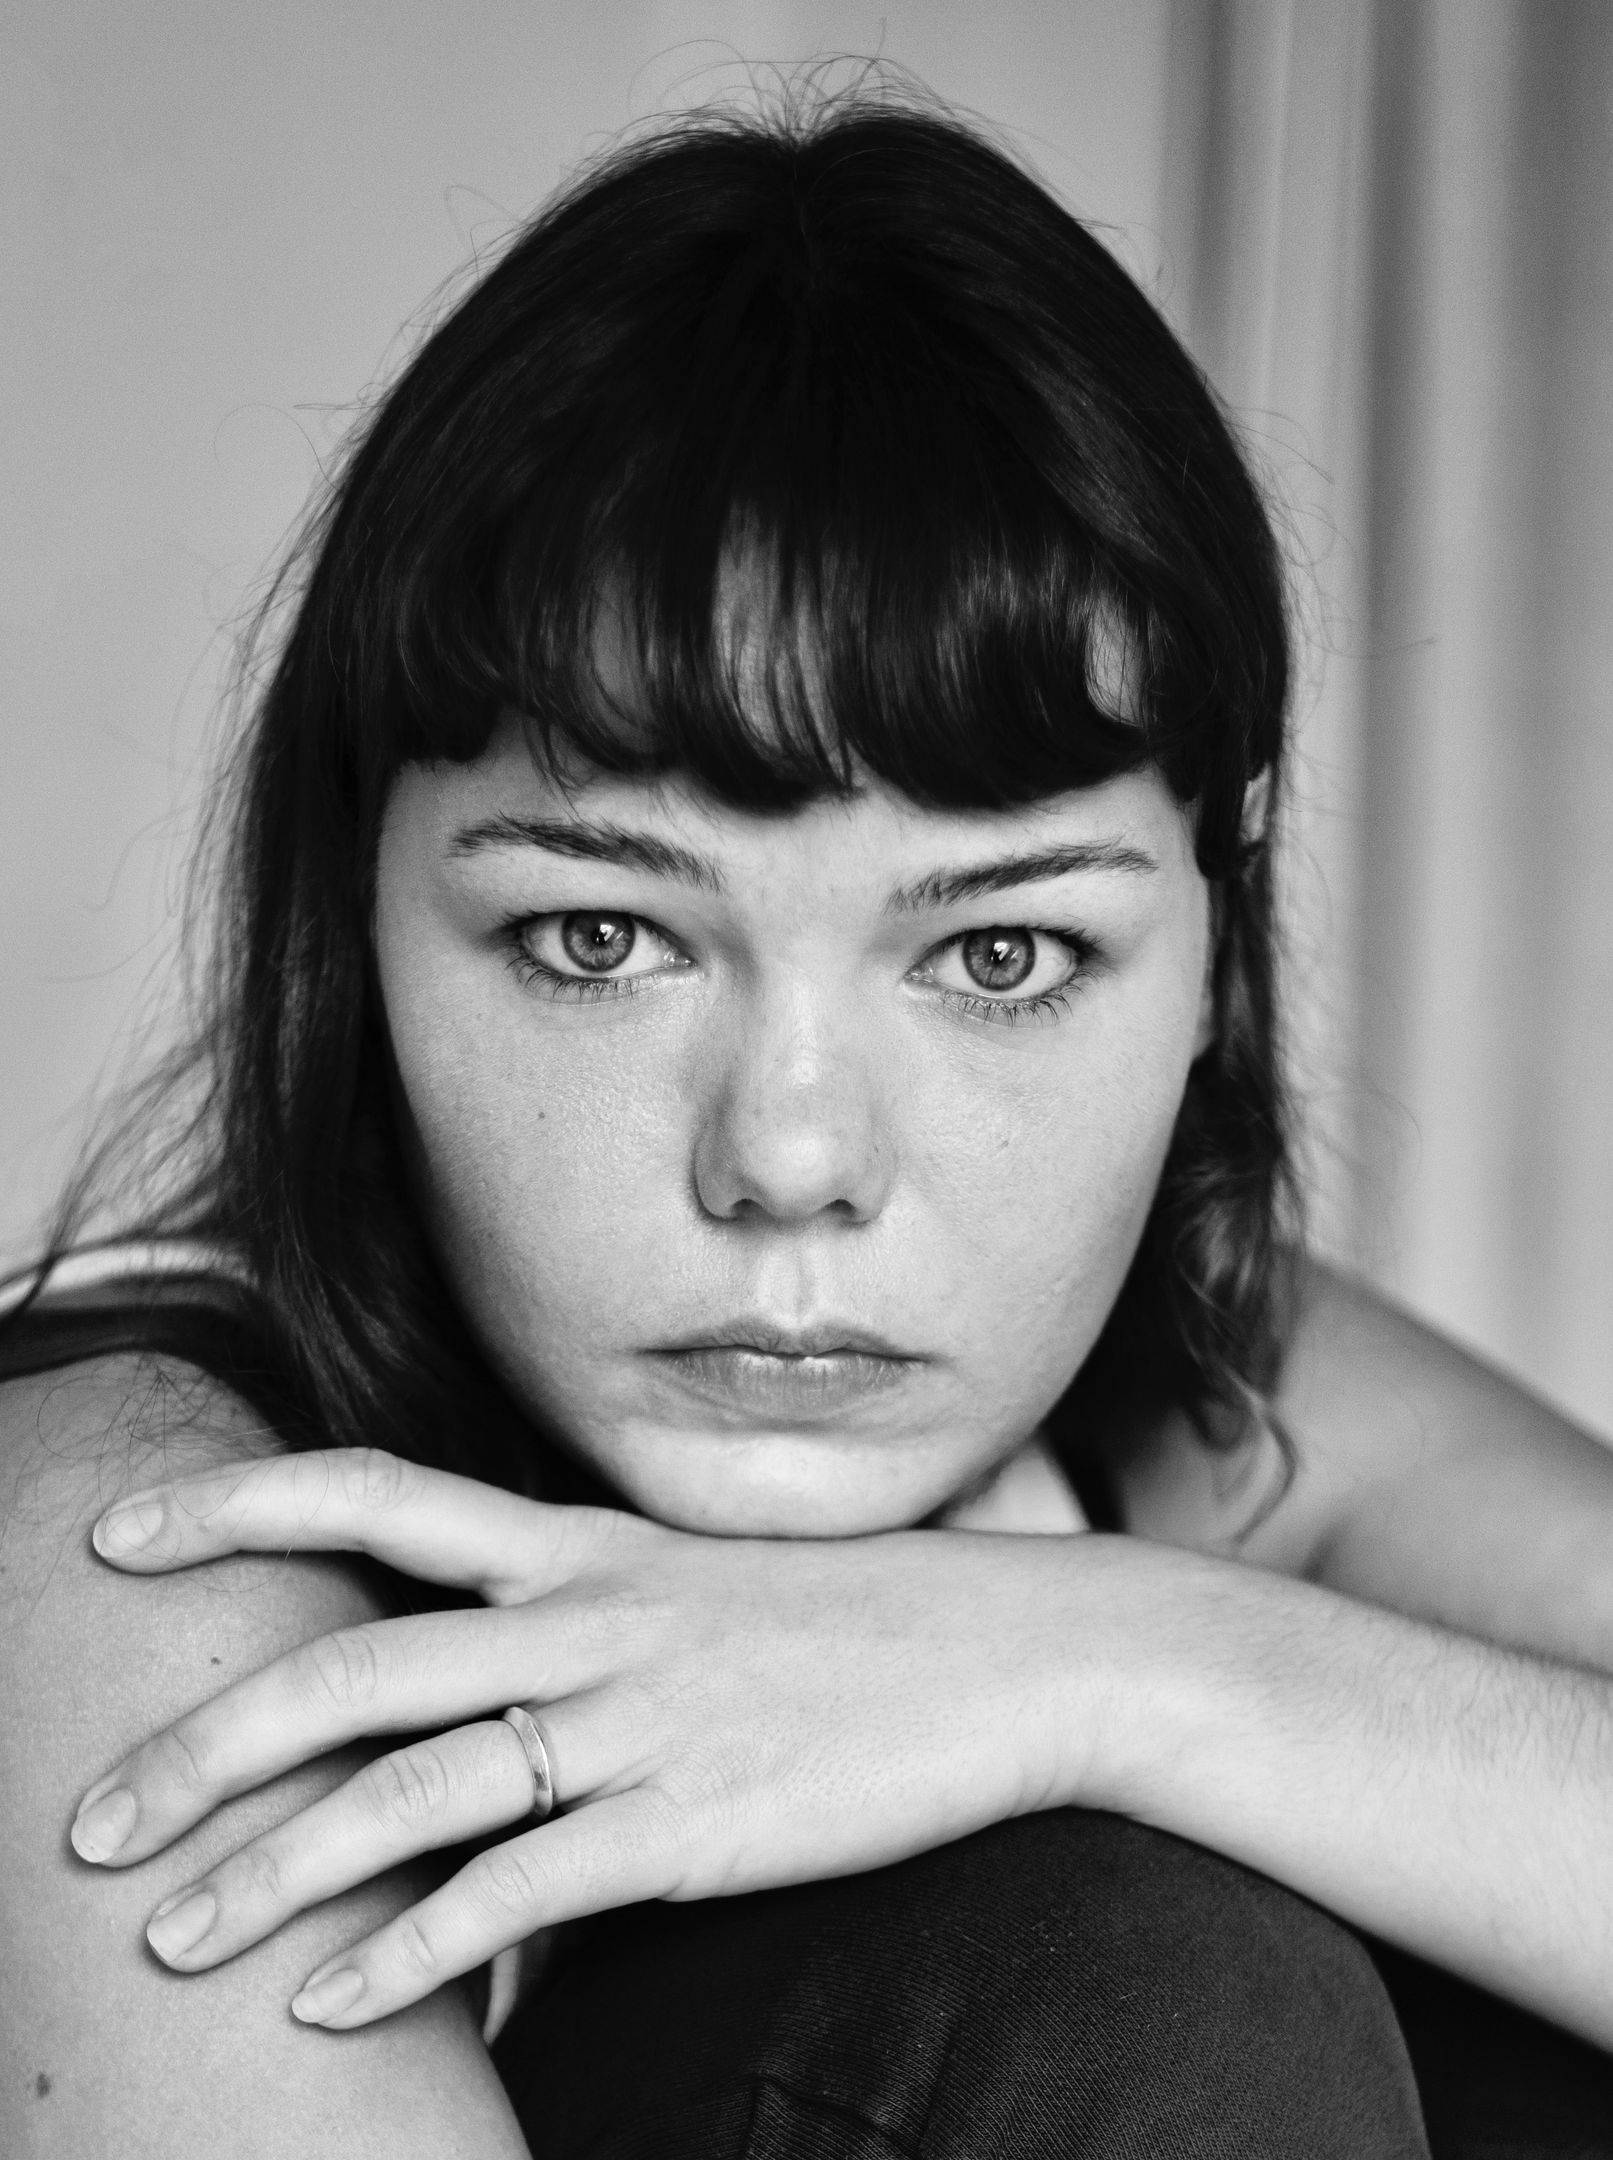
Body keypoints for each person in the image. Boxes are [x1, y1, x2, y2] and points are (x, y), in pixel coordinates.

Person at [2, 92, 1612, 2160]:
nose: (788, 1159)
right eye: (598, 938)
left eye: (1002, 957)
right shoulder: (137, 1555)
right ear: (361, 913)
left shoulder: (1197, 1409)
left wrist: (1120, 1668)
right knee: (1139, 1988)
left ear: (1211, 937)